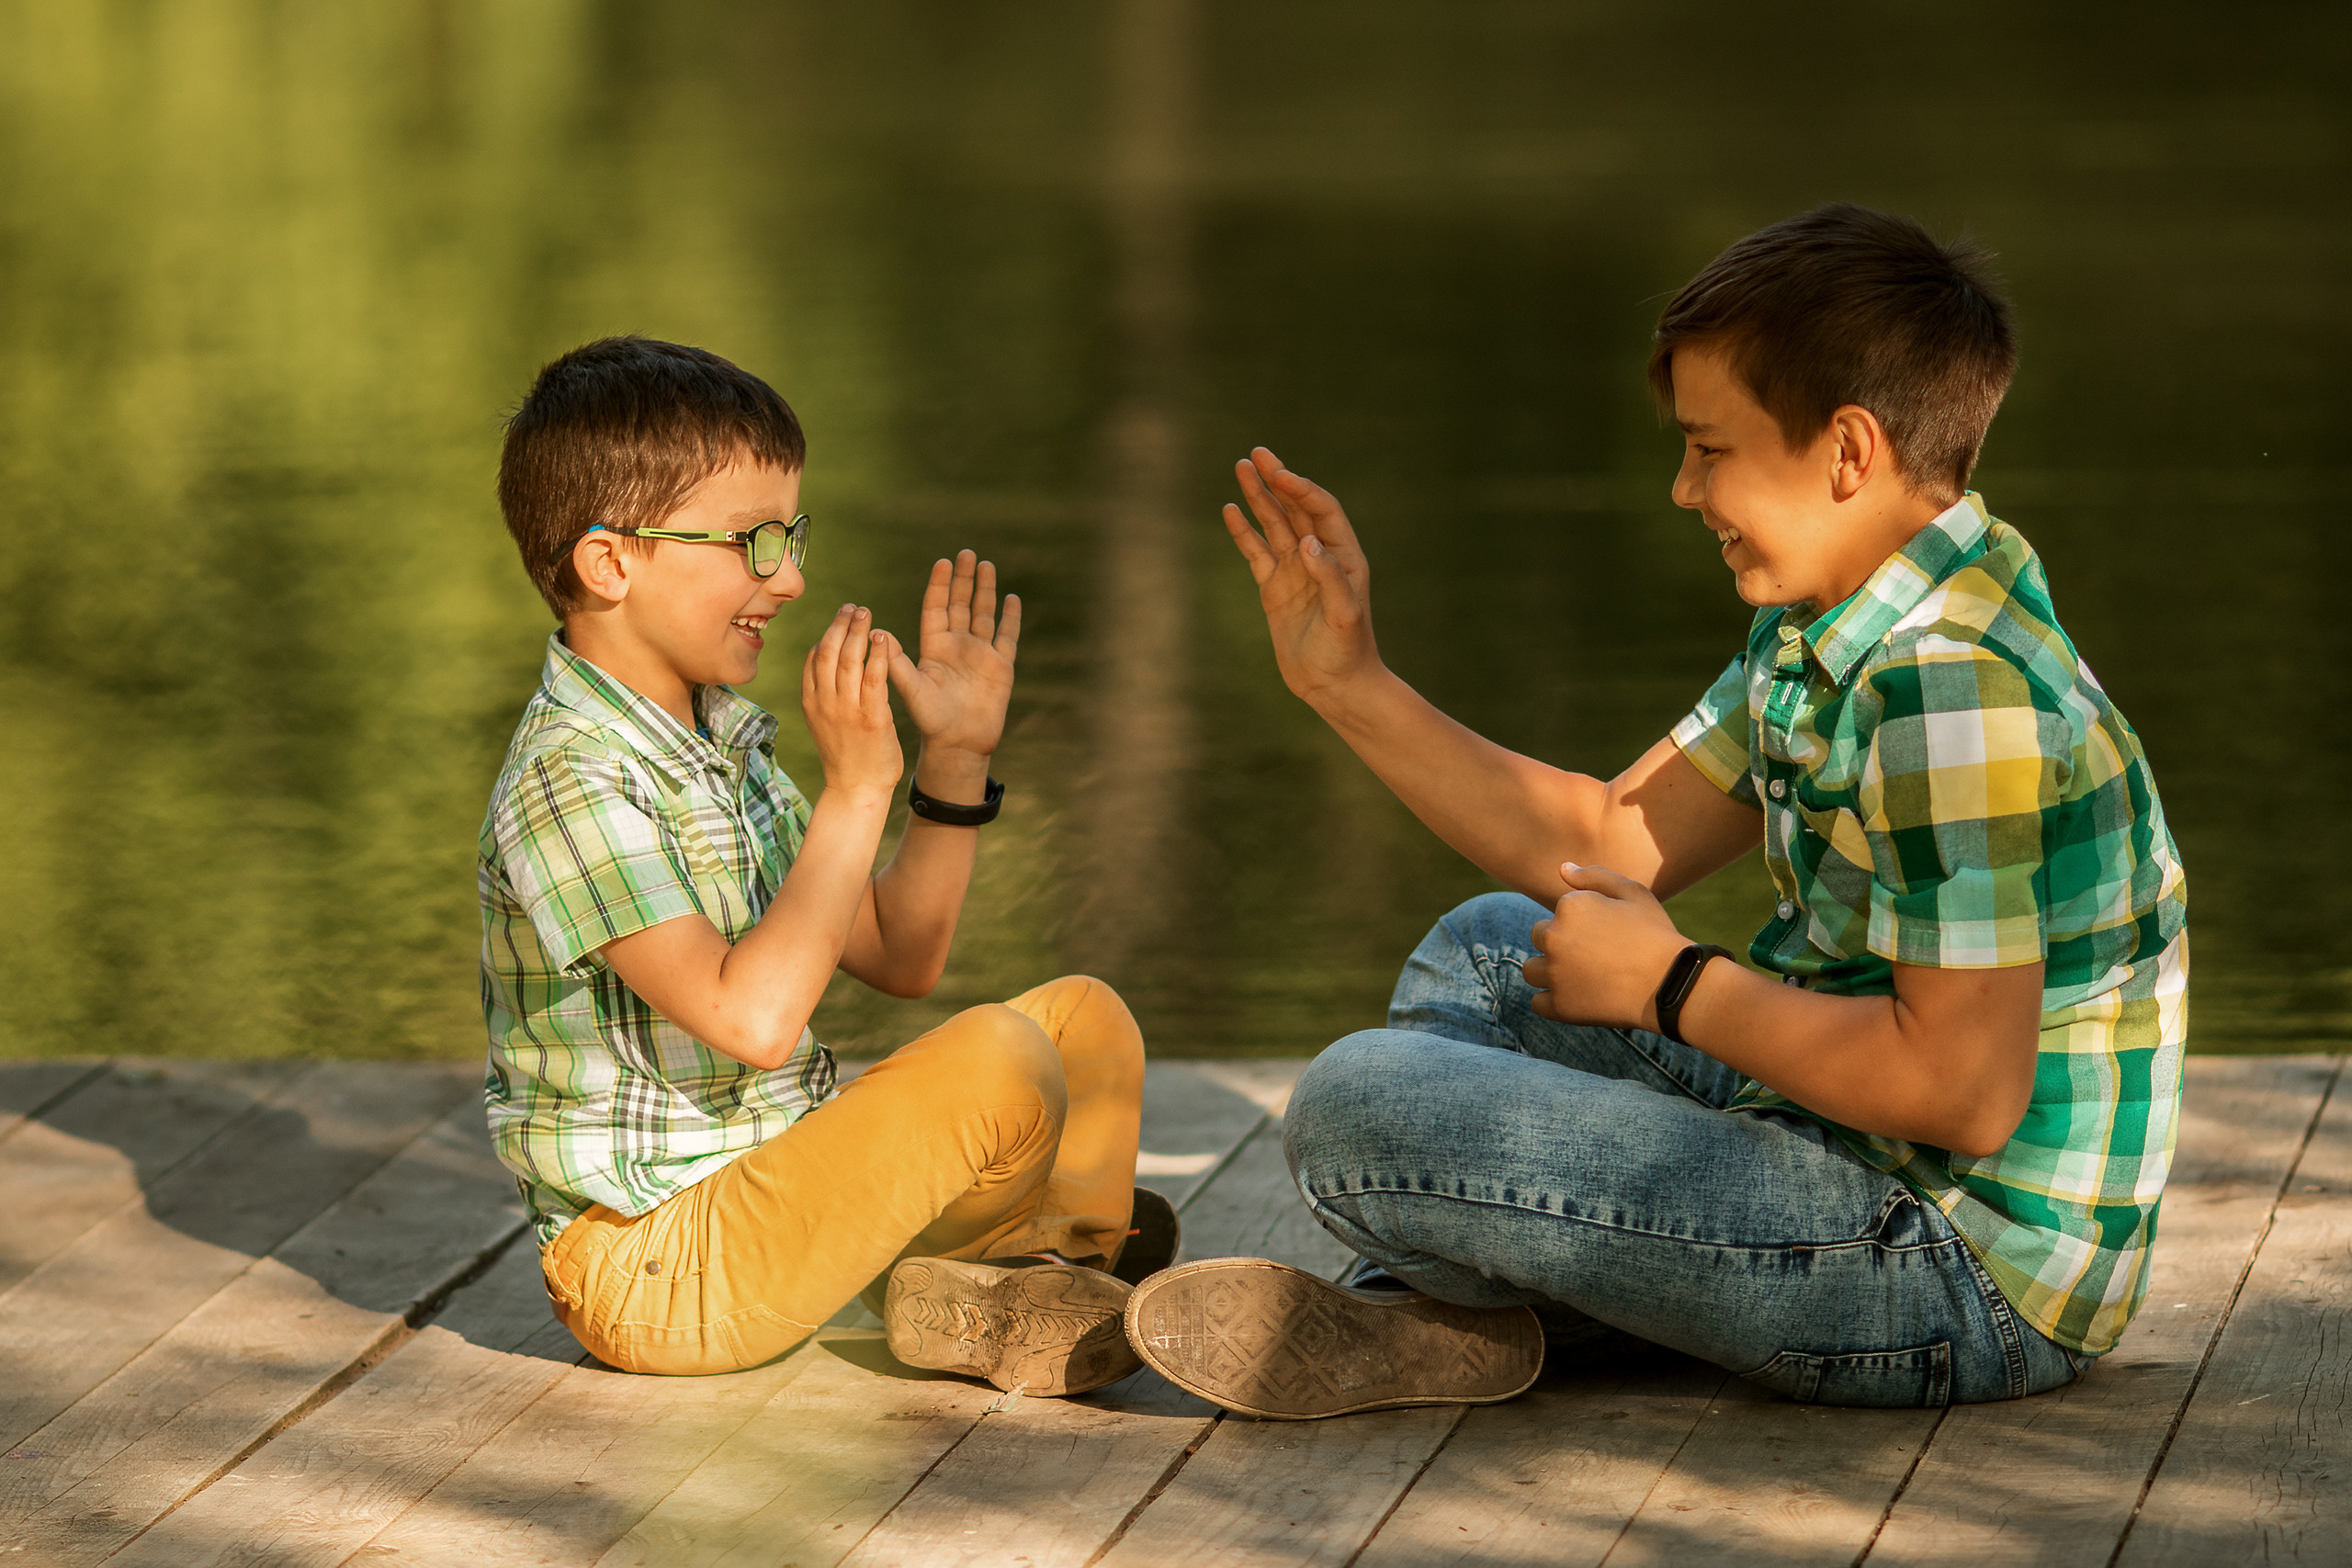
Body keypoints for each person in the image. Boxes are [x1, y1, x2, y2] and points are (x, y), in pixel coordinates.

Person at [1124, 204, 2188, 1420]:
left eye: (1710, 449)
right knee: (1486, 952)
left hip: (1958, 1271)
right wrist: (1345, 679)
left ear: (1846, 451)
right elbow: (1598, 841)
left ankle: (1435, 1309)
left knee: (1356, 1108)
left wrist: (1675, 984)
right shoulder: (1836, 623)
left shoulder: (1951, 689)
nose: (1685, 488)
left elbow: (1963, 1091)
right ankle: (1461, 1325)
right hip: (1848, 1149)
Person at [478, 335, 1173, 1393]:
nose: (791, 577)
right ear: (609, 560)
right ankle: (1029, 1272)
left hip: (775, 1208)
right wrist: (854, 790)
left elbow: (899, 954)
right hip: (657, 1270)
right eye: (752, 542)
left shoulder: (719, 743)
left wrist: (952, 760)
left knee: (1080, 1021)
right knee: (998, 1058)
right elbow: (750, 1023)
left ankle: (1038, 1278)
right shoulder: (568, 779)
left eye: (790, 537)